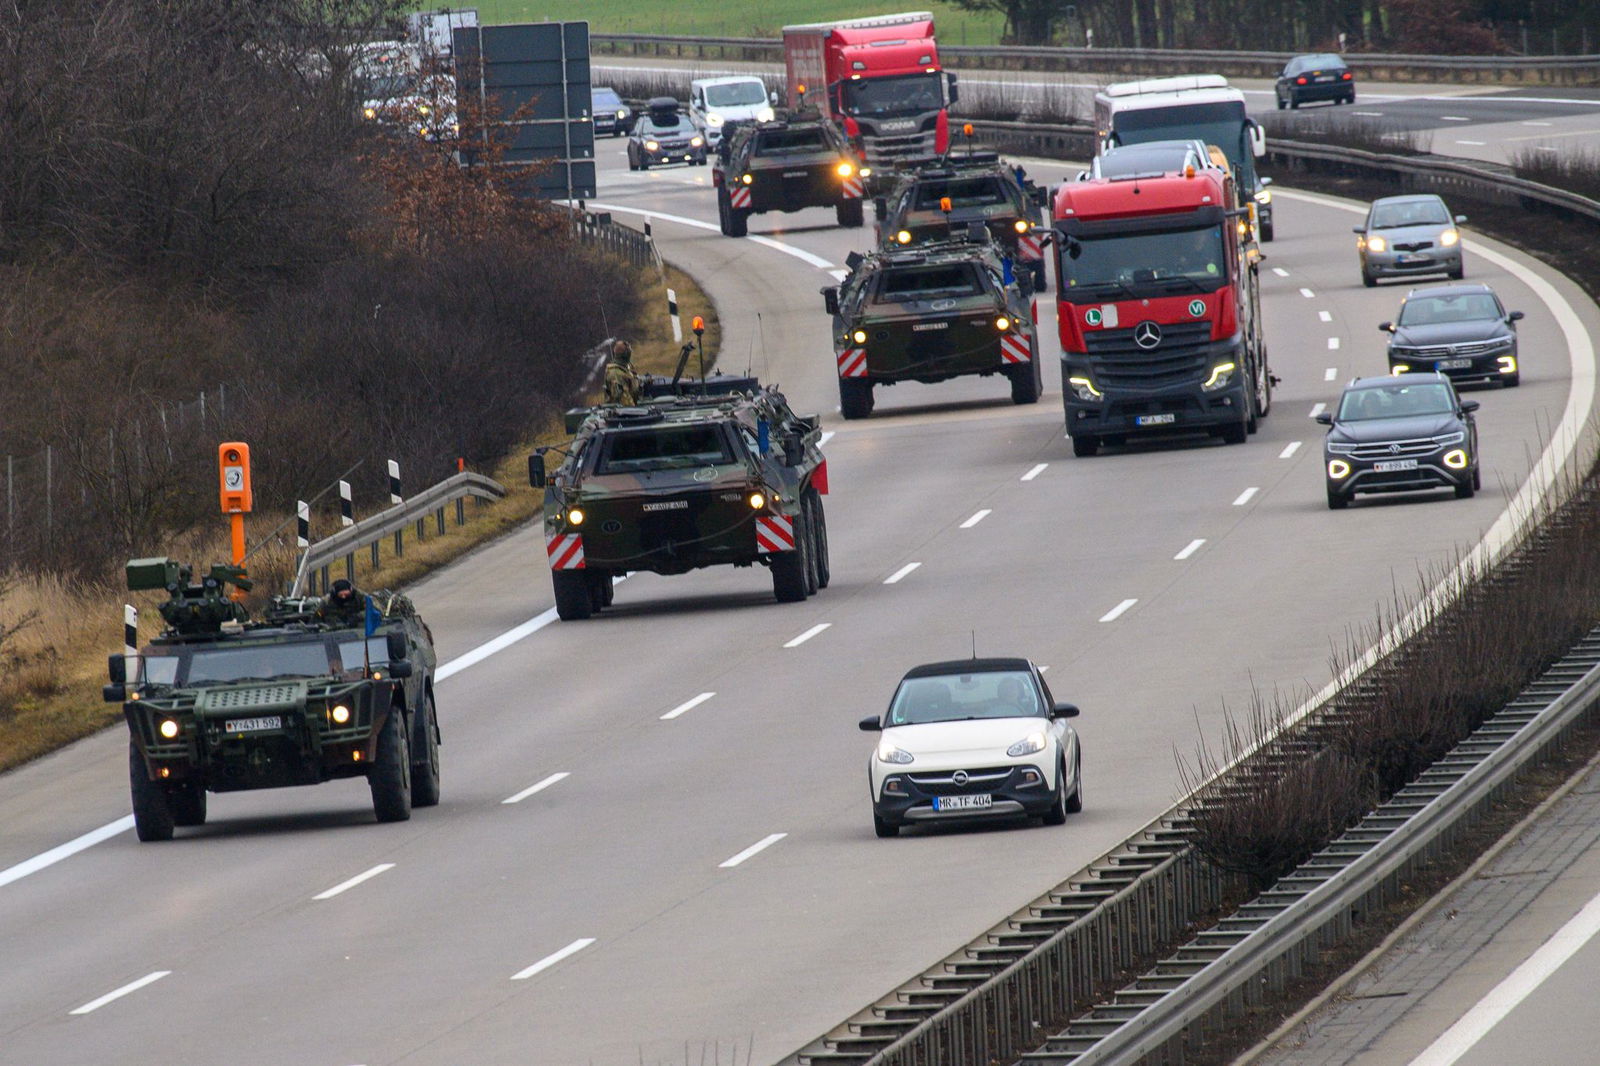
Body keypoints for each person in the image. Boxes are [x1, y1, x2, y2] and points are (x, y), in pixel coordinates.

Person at [603, 339, 643, 405]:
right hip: (624, 412)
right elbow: (625, 401)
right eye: (629, 353)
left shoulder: (625, 368)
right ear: (625, 355)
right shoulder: (615, 374)